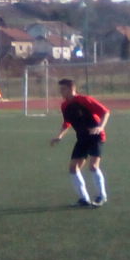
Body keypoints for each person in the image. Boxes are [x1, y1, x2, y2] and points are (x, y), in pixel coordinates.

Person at [49, 78, 111, 207]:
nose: (61, 92)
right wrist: (59, 136)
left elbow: (105, 112)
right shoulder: (64, 105)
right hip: (82, 138)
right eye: (60, 89)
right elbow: (67, 122)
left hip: (95, 136)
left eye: (63, 89)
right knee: (73, 168)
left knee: (93, 166)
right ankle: (84, 199)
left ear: (72, 89)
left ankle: (101, 196)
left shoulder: (84, 100)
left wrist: (101, 127)